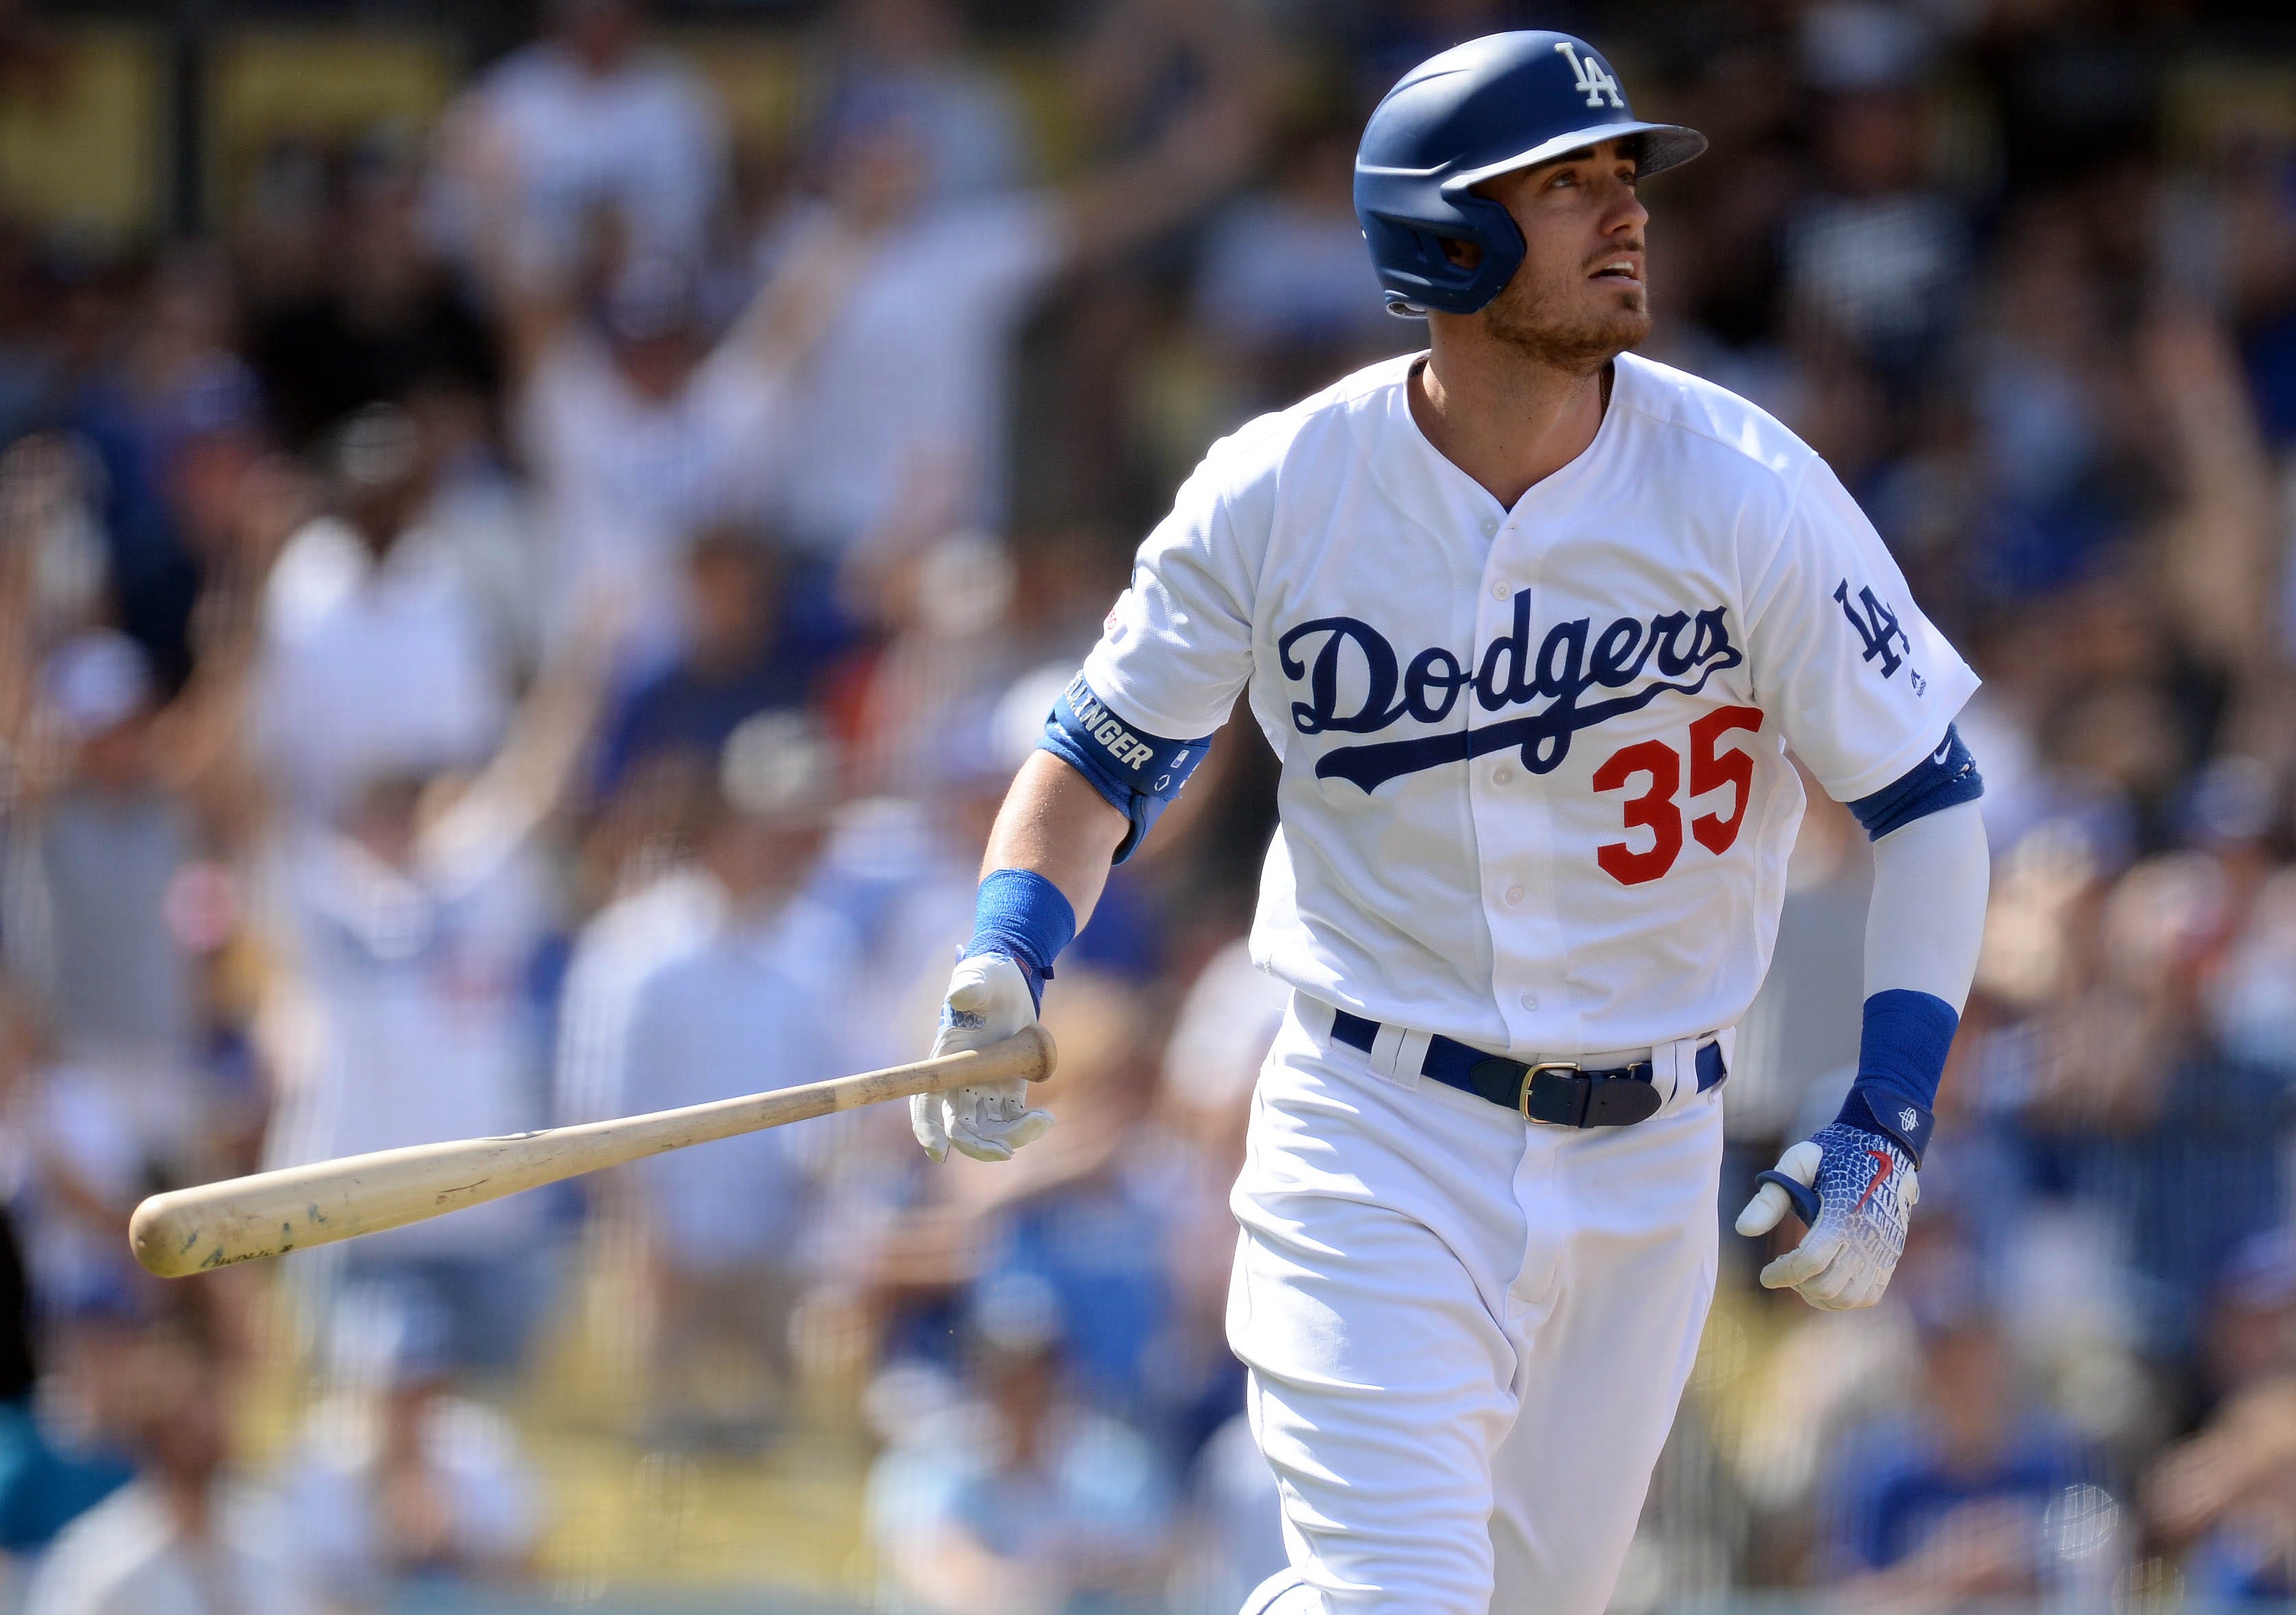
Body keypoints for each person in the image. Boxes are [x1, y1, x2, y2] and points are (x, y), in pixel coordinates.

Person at [908, 33, 1992, 1615]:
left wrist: (1888, 1112)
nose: (1625, 216)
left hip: (1652, 1153)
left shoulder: (1747, 487)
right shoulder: (1280, 488)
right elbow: (1098, 761)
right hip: (1376, 1129)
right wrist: (1007, 950)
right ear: (1444, 234)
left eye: (1626, 179)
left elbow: (1931, 806)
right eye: (1568, 184)